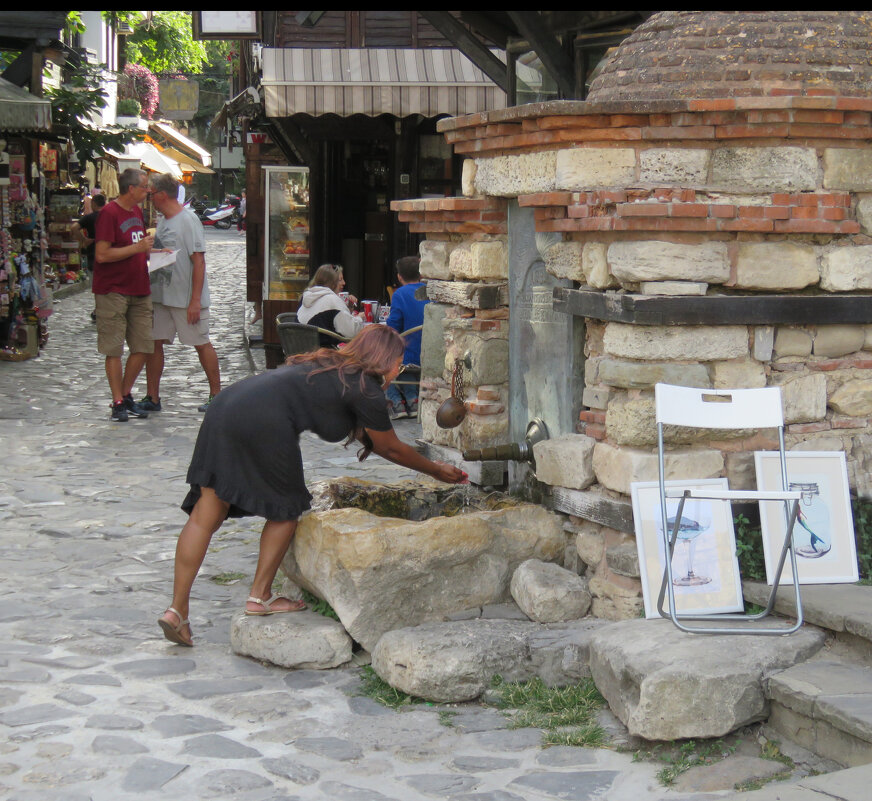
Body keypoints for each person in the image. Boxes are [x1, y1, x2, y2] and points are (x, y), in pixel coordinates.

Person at [157, 326, 466, 647]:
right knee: (287, 510)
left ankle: (176, 612)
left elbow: (364, 433)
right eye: (398, 365)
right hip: (265, 421)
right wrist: (435, 470)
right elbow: (390, 448)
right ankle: (260, 597)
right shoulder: (366, 389)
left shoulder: (329, 364)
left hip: (226, 407)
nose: (395, 373)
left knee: (206, 515)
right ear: (383, 360)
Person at [139, 173, 221, 414]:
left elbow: (199, 261)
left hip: (184, 298)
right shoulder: (164, 220)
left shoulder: (188, 220)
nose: (150, 199)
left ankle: (216, 394)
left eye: (151, 194)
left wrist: (195, 300)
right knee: (154, 343)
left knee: (200, 342)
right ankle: (152, 396)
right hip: (162, 294)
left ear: (163, 195)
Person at [93, 168, 154, 423]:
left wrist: (154, 251)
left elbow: (134, 246)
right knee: (114, 348)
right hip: (113, 289)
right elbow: (102, 254)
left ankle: (126, 393)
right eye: (144, 187)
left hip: (139, 286)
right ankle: (118, 401)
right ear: (131, 189)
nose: (148, 191)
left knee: (143, 346)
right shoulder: (109, 213)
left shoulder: (137, 212)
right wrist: (137, 248)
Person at [385, 255, 428, 419]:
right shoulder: (429, 291)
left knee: (380, 355)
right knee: (406, 349)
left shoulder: (400, 294)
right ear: (421, 275)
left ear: (399, 276)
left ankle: (396, 402)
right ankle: (412, 399)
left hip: (408, 357)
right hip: (427, 354)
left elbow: (393, 328)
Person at [297, 263, 364, 347]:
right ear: (332, 282)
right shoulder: (333, 300)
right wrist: (360, 318)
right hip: (324, 354)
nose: (344, 283)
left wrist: (348, 308)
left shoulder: (306, 297)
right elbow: (353, 332)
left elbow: (325, 318)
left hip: (300, 350)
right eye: (340, 279)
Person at [72, 193, 106, 322]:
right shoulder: (110, 216)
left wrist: (84, 240)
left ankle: (99, 310)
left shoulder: (89, 218)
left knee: (97, 286)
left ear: (93, 204)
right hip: (110, 255)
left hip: (94, 255)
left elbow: (74, 227)